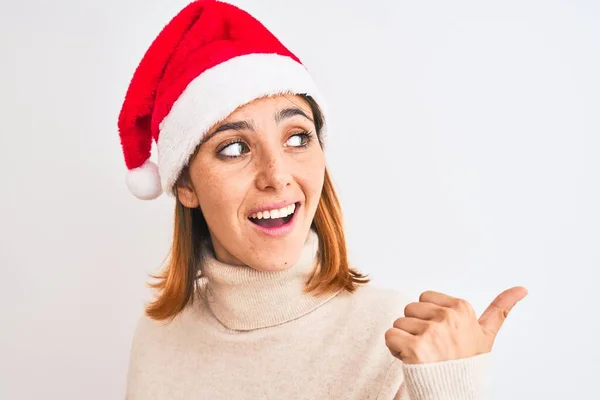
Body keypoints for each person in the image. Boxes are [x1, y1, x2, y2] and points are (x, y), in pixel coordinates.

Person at [117, 1, 528, 399]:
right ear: (185, 184)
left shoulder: (402, 342)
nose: (276, 176)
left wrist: (451, 391)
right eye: (233, 148)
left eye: (297, 138)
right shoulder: (160, 337)